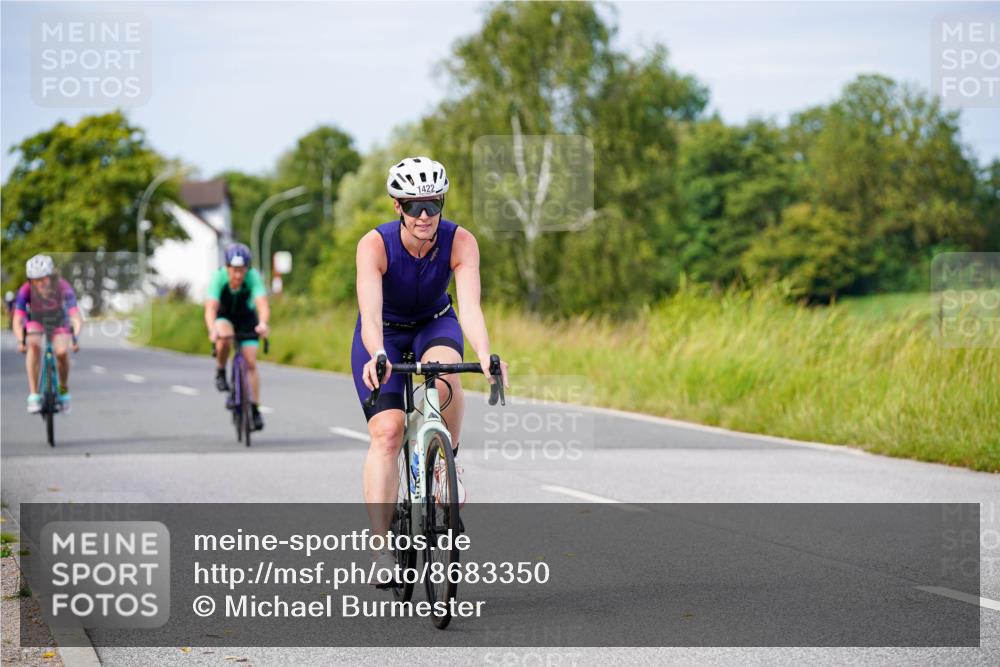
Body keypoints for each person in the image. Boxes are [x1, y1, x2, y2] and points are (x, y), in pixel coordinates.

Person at [352, 156, 509, 583]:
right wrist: (377, 355)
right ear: (397, 206)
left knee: (447, 370)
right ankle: (381, 547)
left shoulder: (461, 242)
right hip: (383, 333)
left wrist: (487, 355)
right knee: (387, 431)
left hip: (434, 322)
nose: (425, 216)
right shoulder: (375, 245)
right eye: (414, 206)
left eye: (433, 205)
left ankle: (447, 459)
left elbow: (471, 308)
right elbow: (369, 315)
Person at [204, 243, 270, 431]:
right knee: (224, 338)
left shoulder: (253, 277)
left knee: (250, 362)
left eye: (242, 270)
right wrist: (212, 329)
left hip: (246, 318)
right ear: (227, 268)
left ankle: (255, 409)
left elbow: (262, 305)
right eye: (235, 271)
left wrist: (263, 323)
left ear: (247, 268)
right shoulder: (218, 278)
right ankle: (220, 370)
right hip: (224, 316)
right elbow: (210, 308)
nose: (239, 275)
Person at [12, 255, 83, 413]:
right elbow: (18, 319)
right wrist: (20, 341)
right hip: (36, 320)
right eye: (35, 280)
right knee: (34, 343)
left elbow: (75, 315)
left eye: (43, 279)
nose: (39, 283)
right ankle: (34, 394)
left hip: (59, 321)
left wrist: (75, 337)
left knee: (62, 352)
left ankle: (64, 391)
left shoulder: (63, 286)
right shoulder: (26, 290)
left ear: (51, 276)